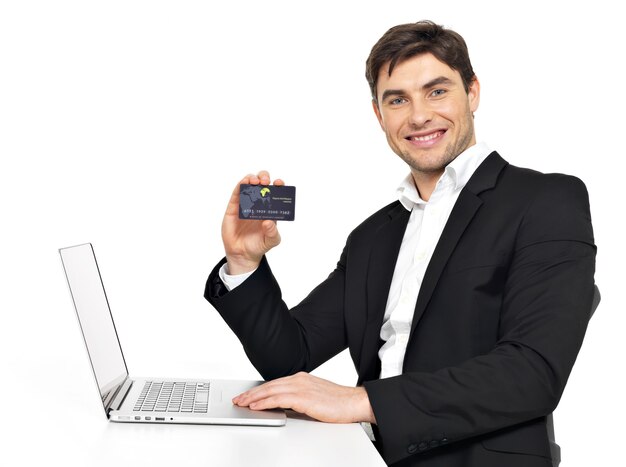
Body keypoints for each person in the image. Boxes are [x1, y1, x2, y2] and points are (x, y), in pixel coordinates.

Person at [204, 20, 596, 467]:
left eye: (437, 91)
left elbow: (532, 372)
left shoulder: (545, 200)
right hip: (365, 456)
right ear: (379, 115)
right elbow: (290, 356)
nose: (418, 116)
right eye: (397, 100)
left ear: (472, 93)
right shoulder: (374, 235)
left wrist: (362, 403)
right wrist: (244, 260)